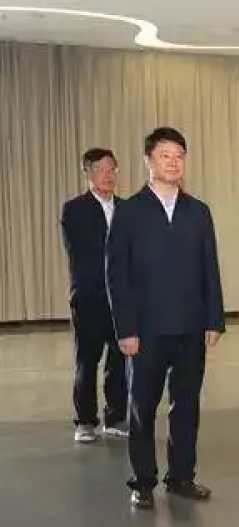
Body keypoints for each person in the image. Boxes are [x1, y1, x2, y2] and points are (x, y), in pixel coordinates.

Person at [106, 127, 224, 509]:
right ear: (148, 161)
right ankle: (142, 481)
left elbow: (210, 268)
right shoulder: (129, 211)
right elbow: (116, 275)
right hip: (145, 331)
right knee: (142, 408)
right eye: (164, 155)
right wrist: (125, 329)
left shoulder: (198, 211)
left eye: (179, 156)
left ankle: (181, 476)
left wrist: (214, 319)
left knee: (186, 406)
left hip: (190, 327)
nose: (173, 163)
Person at [59, 148, 128, 443]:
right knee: (87, 362)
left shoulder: (127, 209)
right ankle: (85, 421)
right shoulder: (74, 209)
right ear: (87, 173)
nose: (107, 175)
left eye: (112, 169)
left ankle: (116, 417)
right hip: (89, 298)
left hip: (122, 299)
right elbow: (83, 253)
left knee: (120, 360)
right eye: (100, 169)